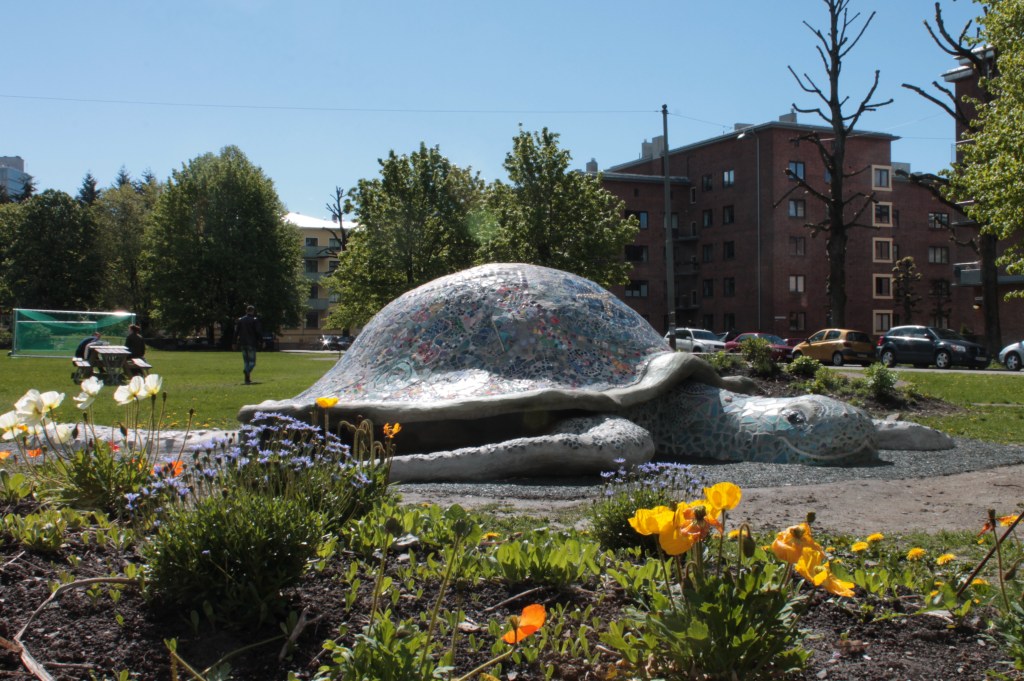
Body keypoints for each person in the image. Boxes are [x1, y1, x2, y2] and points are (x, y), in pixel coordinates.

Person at [236, 305, 262, 384]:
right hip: (251, 343)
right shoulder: (255, 320)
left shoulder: (240, 320)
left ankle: (247, 379)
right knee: (252, 363)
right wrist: (261, 341)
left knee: (246, 362)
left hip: (243, 343)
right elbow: (258, 332)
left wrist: (234, 342)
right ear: (253, 311)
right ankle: (246, 371)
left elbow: (236, 332)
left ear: (246, 311)